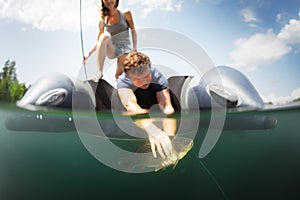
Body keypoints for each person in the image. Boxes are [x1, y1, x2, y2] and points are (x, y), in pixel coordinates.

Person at [117, 51, 176, 159]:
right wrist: (153, 131)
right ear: (128, 76)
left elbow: (167, 108)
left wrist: (170, 140)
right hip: (137, 105)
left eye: (146, 76)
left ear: (150, 69)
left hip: (153, 102)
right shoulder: (123, 81)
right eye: (137, 79)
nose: (143, 82)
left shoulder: (158, 77)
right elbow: (132, 108)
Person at [83, 0, 137, 81]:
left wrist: (135, 49)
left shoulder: (126, 14)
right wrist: (88, 54)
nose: (109, 1)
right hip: (113, 49)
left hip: (125, 50)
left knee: (118, 76)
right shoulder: (103, 20)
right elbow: (99, 41)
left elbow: (133, 30)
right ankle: (99, 73)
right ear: (103, 2)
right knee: (104, 36)